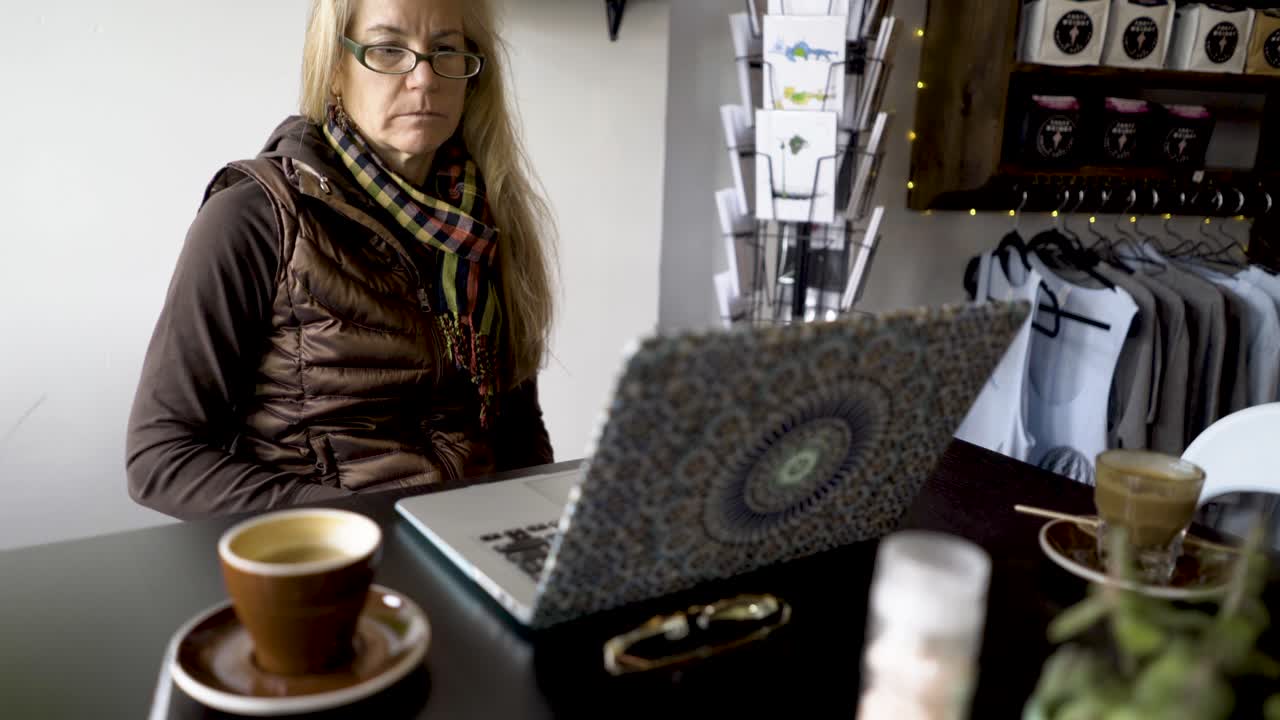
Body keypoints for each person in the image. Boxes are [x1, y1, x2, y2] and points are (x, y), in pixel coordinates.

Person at [127, 0, 557, 519]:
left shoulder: (486, 225)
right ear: (335, 69)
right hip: (330, 561)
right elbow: (161, 457)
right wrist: (361, 519)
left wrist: (535, 529)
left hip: (466, 543)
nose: (423, 79)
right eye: (388, 49)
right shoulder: (255, 216)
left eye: (445, 50)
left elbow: (516, 430)